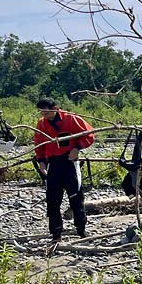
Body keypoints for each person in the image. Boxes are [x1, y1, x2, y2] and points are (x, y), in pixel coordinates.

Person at [34, 98, 94, 241]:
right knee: (53, 200)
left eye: (46, 111)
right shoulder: (41, 124)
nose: (43, 114)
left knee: (76, 197)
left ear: (55, 108)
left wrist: (77, 148)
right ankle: (56, 234)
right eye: (41, 111)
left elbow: (89, 135)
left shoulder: (71, 118)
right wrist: (41, 162)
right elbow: (39, 144)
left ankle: (81, 231)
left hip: (70, 162)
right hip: (53, 164)